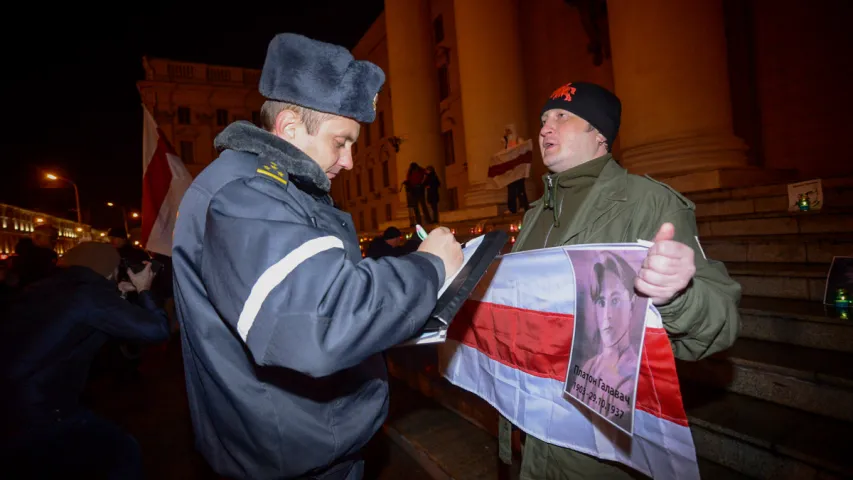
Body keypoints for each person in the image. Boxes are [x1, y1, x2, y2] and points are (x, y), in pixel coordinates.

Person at [171, 33, 463, 480]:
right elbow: (322, 321)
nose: (348, 161)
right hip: (293, 456)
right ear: (289, 128)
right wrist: (430, 266)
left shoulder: (269, 187)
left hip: (303, 443)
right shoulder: (247, 196)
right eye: (341, 141)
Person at [505, 82, 742, 479]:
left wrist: (678, 295)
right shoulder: (534, 214)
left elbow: (721, 324)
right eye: (544, 119)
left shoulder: (649, 202)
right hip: (532, 433)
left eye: (562, 117)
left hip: (599, 446)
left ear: (600, 134)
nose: (545, 129)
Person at [0, 242, 169, 480]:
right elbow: (157, 330)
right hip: (40, 409)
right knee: (122, 452)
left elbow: (78, 323)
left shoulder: (45, 289)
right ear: (110, 271)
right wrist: (144, 290)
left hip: (12, 405)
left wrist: (115, 294)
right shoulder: (89, 297)